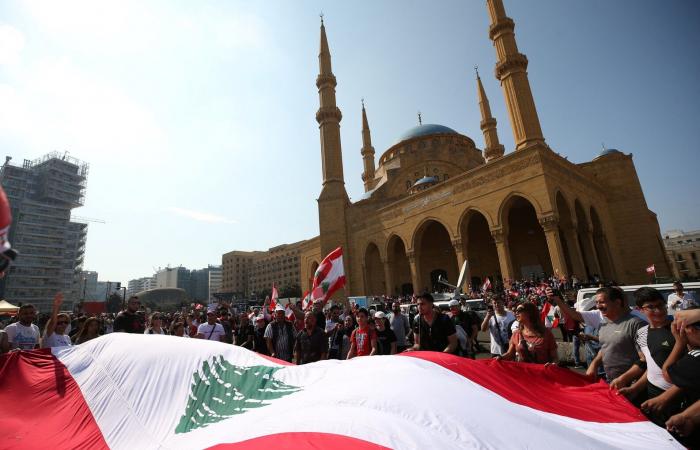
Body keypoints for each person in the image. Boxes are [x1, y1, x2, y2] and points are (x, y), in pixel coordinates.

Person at [548, 286, 644, 383]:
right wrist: (594, 364)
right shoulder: (603, 322)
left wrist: (627, 380)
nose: (598, 306)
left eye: (602, 302)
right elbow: (607, 346)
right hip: (612, 380)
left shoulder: (637, 322)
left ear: (618, 301)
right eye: (597, 303)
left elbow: (645, 359)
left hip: (633, 382)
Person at [662, 309, 700, 448]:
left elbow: (667, 373)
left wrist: (679, 342)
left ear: (693, 330)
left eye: (683, 329)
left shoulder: (696, 356)